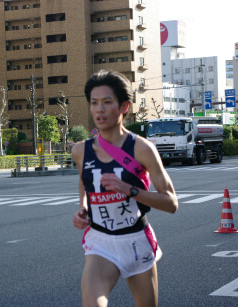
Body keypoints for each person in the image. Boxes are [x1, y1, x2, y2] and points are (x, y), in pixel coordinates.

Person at [71, 70, 178, 307]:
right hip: (101, 242)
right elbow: (84, 180)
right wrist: (83, 207)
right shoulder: (80, 151)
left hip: (136, 240)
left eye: (107, 102)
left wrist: (129, 189)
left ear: (123, 107)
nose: (99, 109)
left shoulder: (142, 149)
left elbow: (171, 203)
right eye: (94, 103)